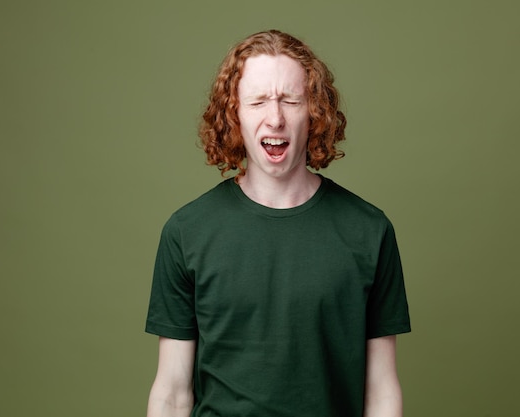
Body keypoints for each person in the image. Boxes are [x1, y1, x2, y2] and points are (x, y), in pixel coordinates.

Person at [145, 29, 411, 417]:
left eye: (291, 100)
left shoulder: (368, 231)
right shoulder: (187, 232)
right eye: (257, 102)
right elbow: (171, 393)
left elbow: (383, 392)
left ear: (314, 112)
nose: (275, 118)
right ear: (234, 113)